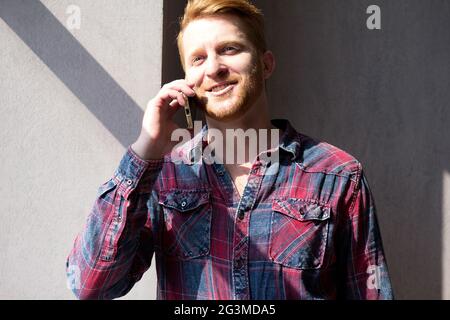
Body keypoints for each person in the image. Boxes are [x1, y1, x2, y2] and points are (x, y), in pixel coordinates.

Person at [66, 0, 394, 300]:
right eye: (198, 58)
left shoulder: (337, 174)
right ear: (187, 81)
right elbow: (90, 285)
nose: (213, 68)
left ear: (266, 65)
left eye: (229, 49)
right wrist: (145, 150)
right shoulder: (166, 173)